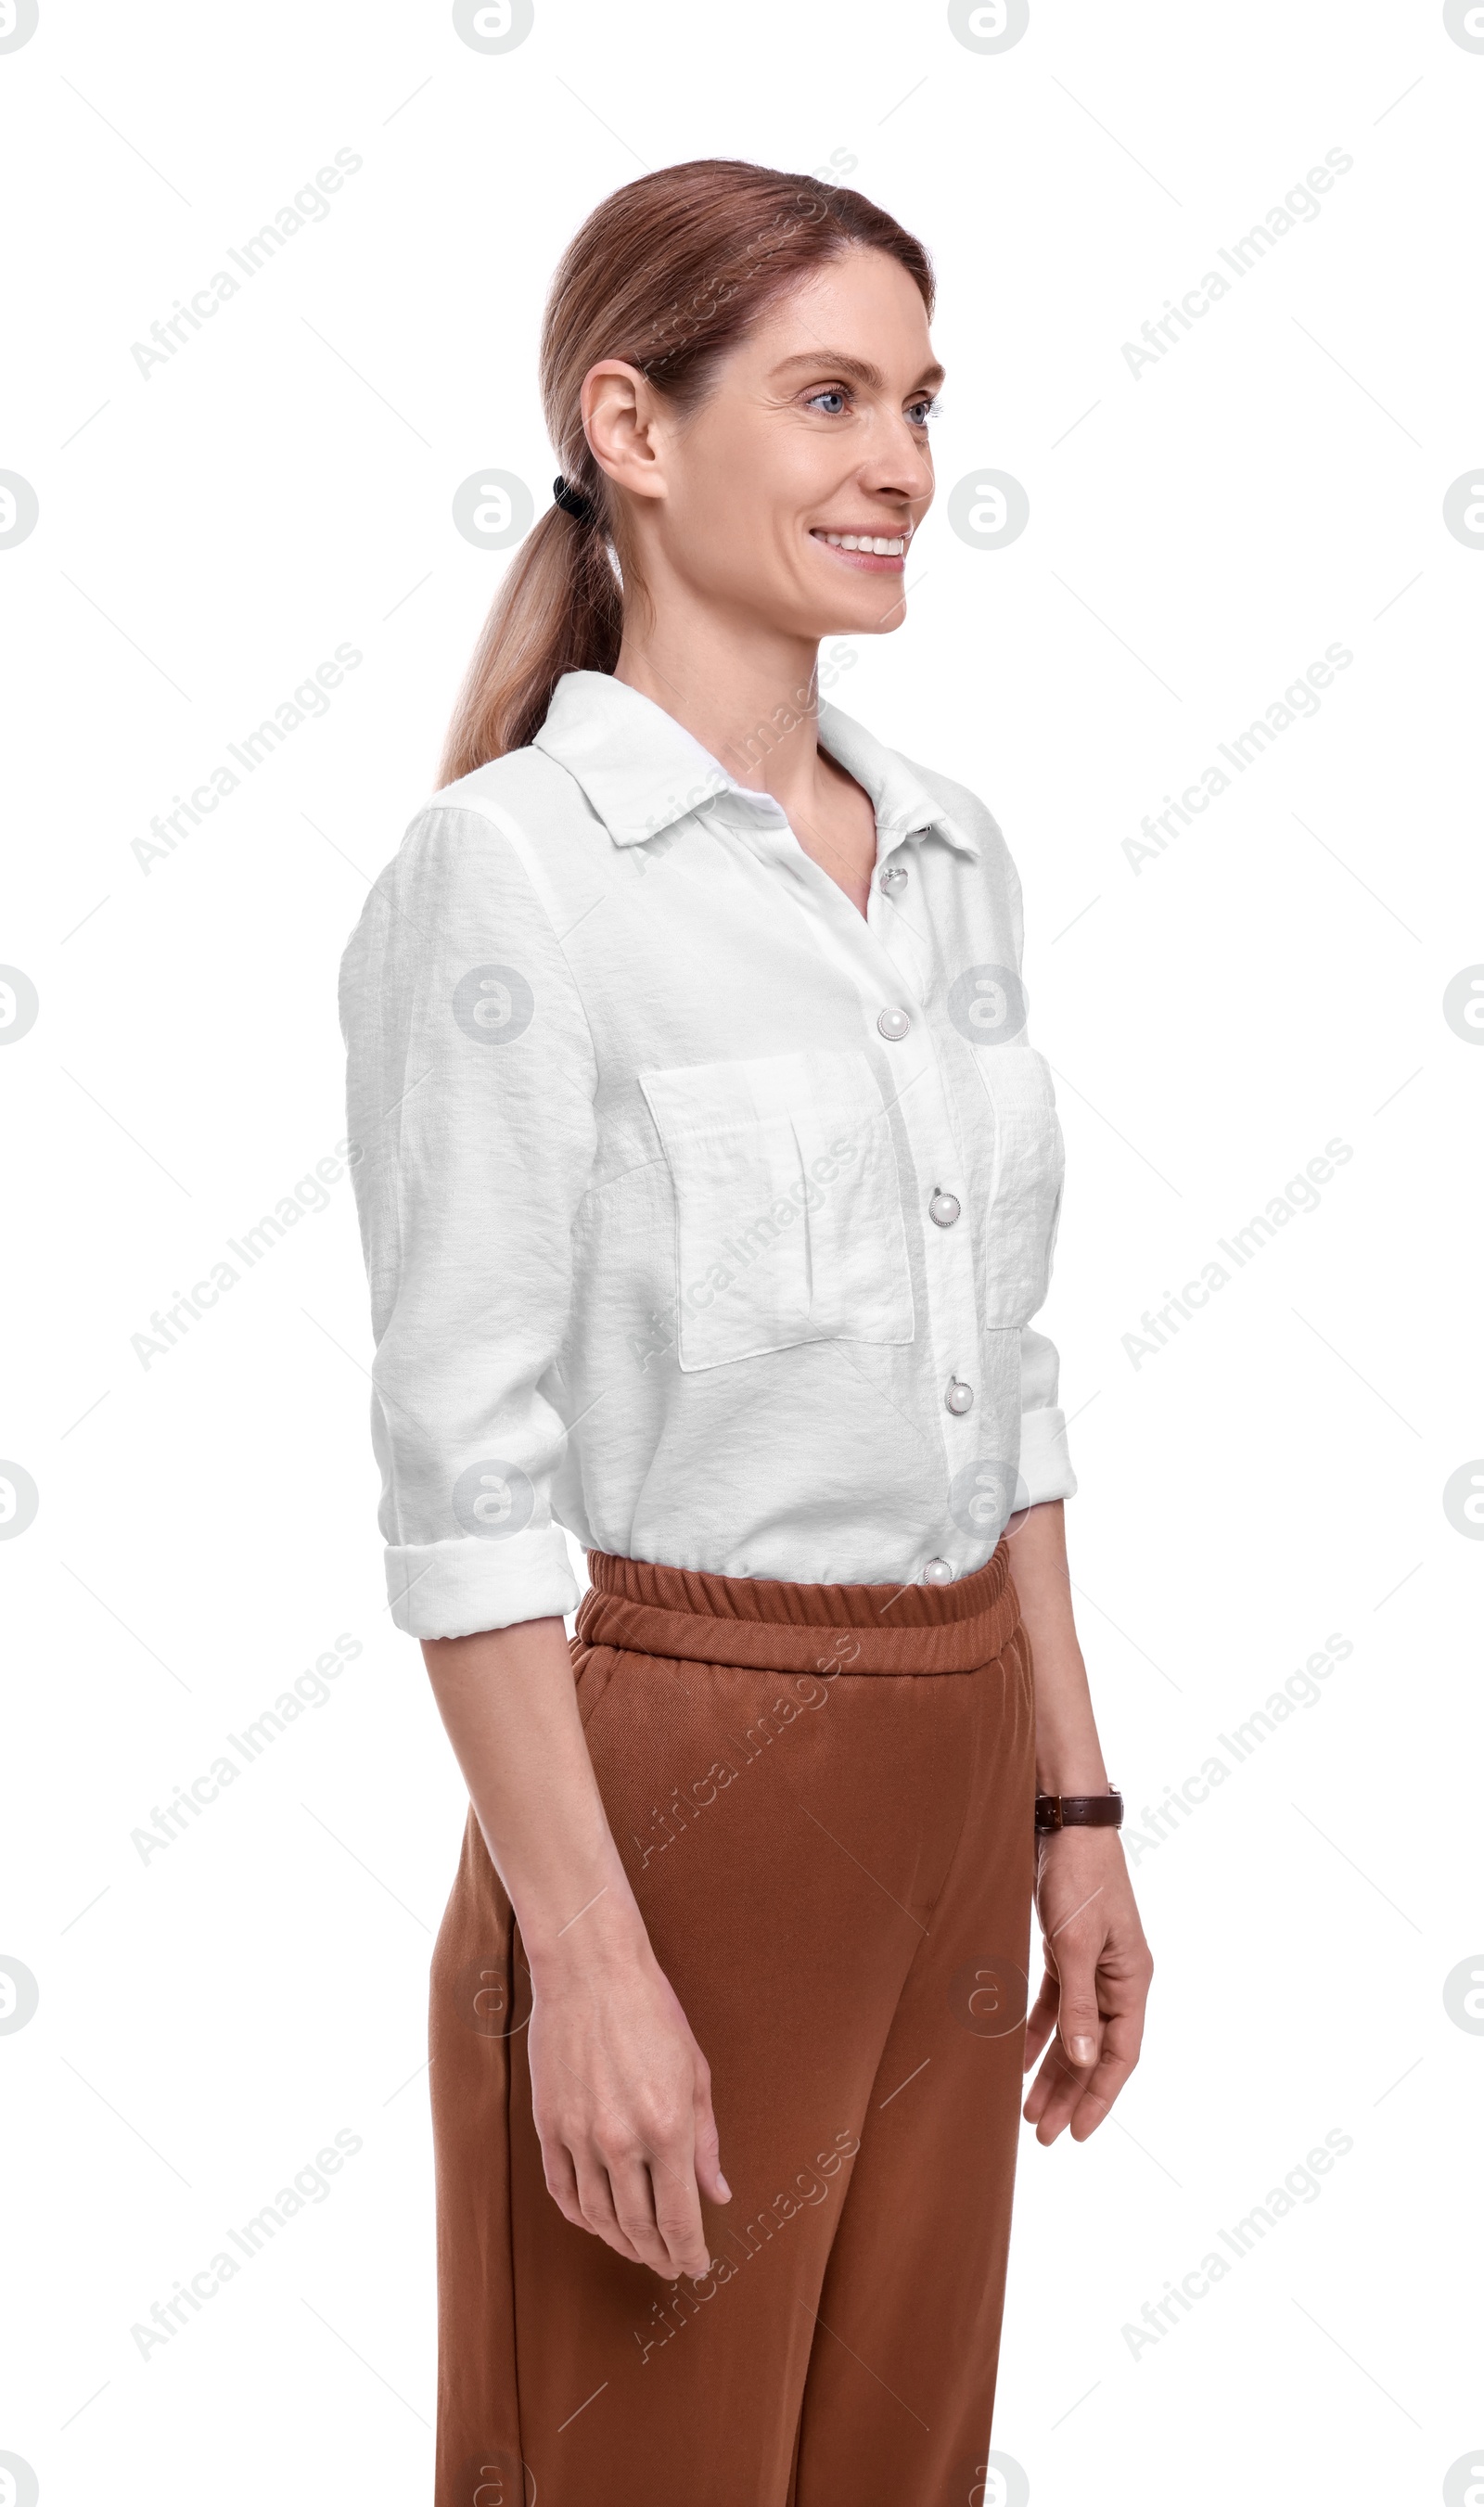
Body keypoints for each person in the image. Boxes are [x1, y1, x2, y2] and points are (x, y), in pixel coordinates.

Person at [339, 156, 1152, 2507]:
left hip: (955, 1754)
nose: (899, 461)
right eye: (824, 394)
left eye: (913, 398)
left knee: (905, 2475)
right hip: (677, 1780)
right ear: (632, 421)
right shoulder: (508, 875)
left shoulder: (947, 849)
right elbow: (462, 1459)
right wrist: (580, 1958)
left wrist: (1067, 1804)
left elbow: (1001, 1364)